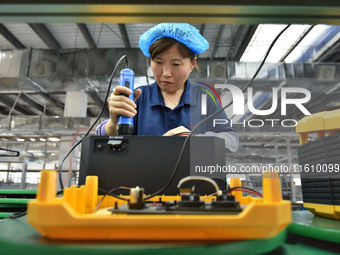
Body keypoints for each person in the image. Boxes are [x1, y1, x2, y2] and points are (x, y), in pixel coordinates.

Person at [96, 23, 239, 153]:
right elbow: (103, 138)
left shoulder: (205, 97)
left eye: (176, 64)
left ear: (192, 63)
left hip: (196, 178)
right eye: (158, 62)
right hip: (146, 179)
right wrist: (113, 123)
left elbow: (231, 140)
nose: (166, 73)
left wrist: (197, 139)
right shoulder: (139, 97)